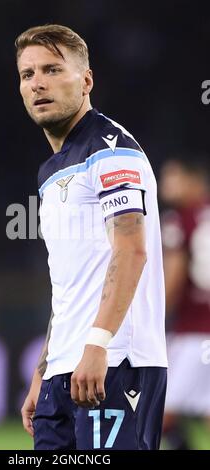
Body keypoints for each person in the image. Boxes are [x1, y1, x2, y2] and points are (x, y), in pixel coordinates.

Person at [15, 24, 167, 450]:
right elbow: (69, 282)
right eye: (28, 75)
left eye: (52, 69)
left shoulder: (112, 150)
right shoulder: (51, 172)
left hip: (116, 362)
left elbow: (132, 250)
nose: (38, 83)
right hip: (66, 369)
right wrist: (45, 369)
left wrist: (97, 346)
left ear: (86, 81)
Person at [159, 157, 210, 449]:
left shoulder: (179, 221)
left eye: (173, 177)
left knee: (161, 411)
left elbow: (174, 278)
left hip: (193, 333)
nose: (166, 184)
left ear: (193, 180)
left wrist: (153, 318)